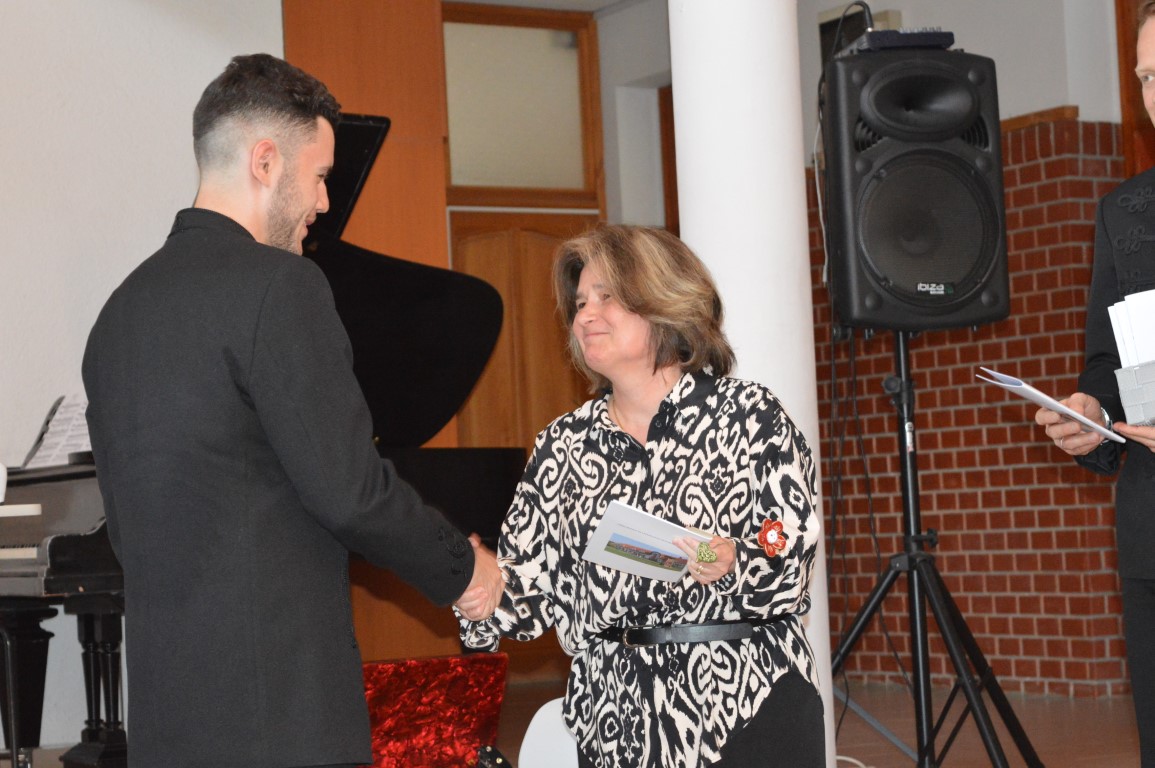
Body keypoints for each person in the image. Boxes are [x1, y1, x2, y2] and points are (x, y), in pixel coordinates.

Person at [82, 53, 501, 768]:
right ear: (266, 162)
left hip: (166, 718)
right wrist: (463, 571)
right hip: (278, 716)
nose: (324, 203)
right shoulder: (282, 287)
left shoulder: (118, 313)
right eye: (321, 176)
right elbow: (349, 492)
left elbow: (126, 530)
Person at [459, 225, 825, 767]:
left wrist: (735, 557)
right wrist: (479, 587)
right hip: (617, 721)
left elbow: (788, 543)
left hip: (750, 702)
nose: (585, 316)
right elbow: (530, 589)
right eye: (580, 303)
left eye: (606, 297)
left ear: (664, 303)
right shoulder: (563, 445)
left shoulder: (750, 417)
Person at [1034, 2, 1155, 764]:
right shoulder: (1124, 214)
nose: (1154, 94)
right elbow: (1106, 367)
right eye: (1145, 78)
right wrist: (1088, 415)